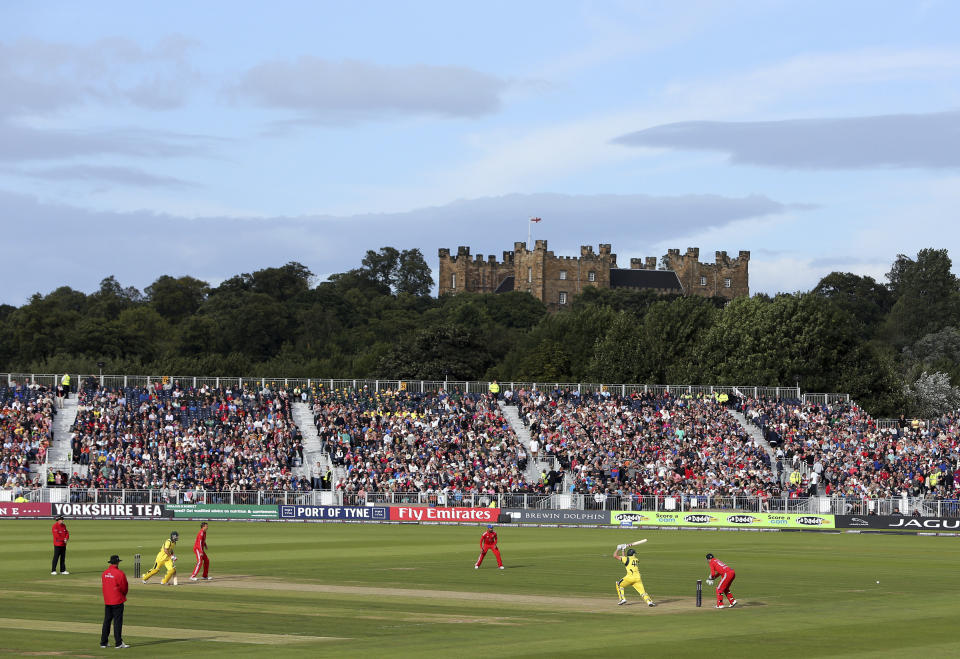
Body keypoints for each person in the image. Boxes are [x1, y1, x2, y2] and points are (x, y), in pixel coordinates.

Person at [100, 555, 130, 649]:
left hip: (107, 601)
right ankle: (118, 643)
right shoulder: (120, 573)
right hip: (117, 600)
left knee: (107, 621)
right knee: (117, 622)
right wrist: (123, 595)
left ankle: (103, 642)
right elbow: (124, 588)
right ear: (117, 562)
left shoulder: (104, 573)